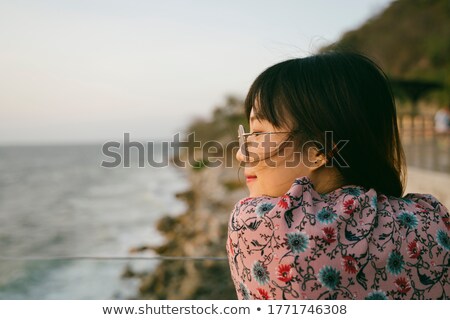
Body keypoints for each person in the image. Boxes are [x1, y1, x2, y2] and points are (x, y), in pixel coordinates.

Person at [226, 52, 450, 300]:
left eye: (257, 133)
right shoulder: (432, 218)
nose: (241, 154)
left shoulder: (258, 224)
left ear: (319, 150)